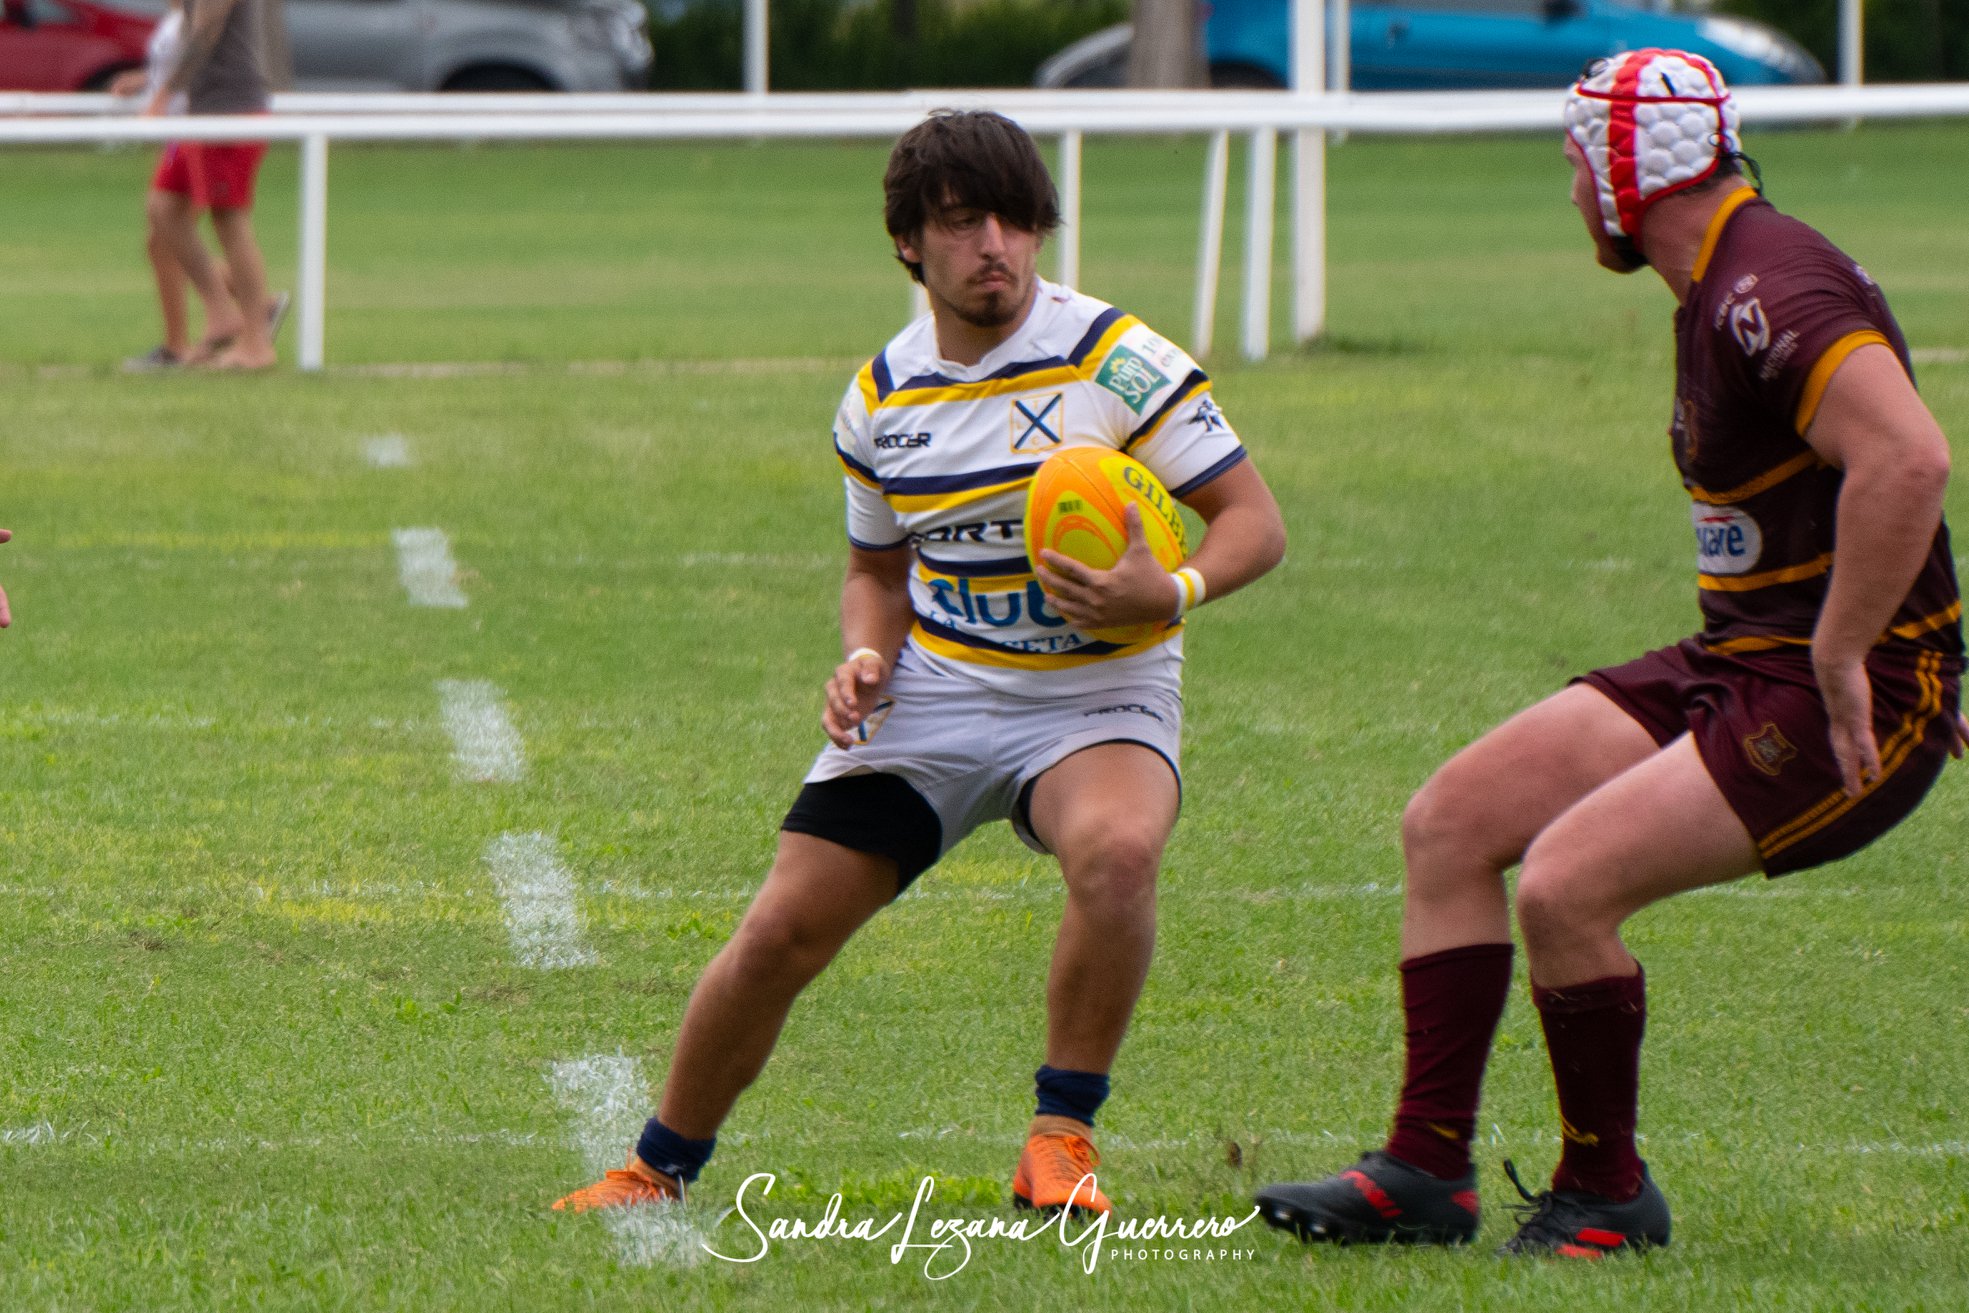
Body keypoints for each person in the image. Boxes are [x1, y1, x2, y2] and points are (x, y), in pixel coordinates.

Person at [1256, 49, 1964, 1257]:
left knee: (1566, 882)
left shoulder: (1765, 284)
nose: (1573, 187)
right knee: (1452, 820)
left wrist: (1846, 652)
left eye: (1581, 159)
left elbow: (1907, 457)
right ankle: (1425, 1169)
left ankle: (1607, 1195)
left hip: (1855, 690)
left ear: (1632, 168)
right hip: (1744, 655)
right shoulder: (1725, 276)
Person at [554, 109, 1286, 1217]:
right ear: (909, 243)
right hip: (940, 688)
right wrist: (862, 652)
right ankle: (656, 1164)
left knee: (1118, 851)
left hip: (1099, 690)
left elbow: (1253, 522)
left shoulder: (1117, 359)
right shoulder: (880, 399)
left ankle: (1058, 1139)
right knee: (778, 930)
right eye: (960, 223)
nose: (994, 243)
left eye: (1013, 220)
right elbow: (877, 570)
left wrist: (1168, 589)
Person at [141, 0, 279, 371]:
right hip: (201, 111)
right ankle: (221, 311)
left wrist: (162, 94)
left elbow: (207, 28)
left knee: (229, 223)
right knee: (164, 209)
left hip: (231, 110)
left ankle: (256, 343)